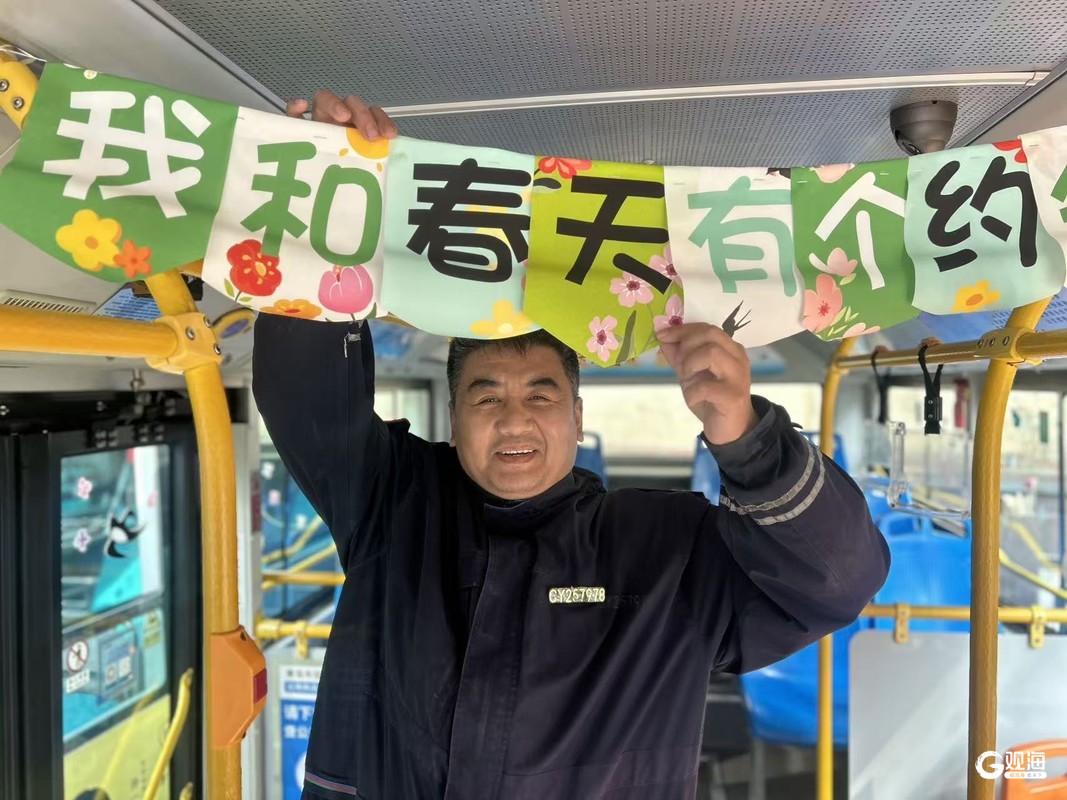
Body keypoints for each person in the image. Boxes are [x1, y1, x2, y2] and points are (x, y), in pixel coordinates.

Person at [253, 91, 890, 800]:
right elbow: (307, 400)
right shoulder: (395, 504)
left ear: (577, 416)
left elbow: (839, 580)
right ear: (454, 418)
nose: (513, 421)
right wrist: (333, 203)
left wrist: (747, 441)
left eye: (541, 395)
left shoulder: (669, 550)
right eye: (486, 397)